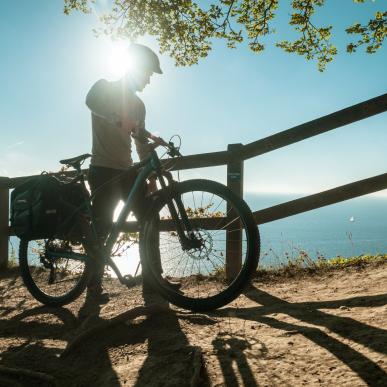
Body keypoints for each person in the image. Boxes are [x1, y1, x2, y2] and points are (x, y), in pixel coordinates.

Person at [85, 43, 169, 303]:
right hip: (102, 169)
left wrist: (150, 172)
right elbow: (91, 102)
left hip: (127, 171)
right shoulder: (104, 88)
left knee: (149, 218)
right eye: (148, 73)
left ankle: (153, 280)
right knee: (102, 226)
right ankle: (93, 285)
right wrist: (118, 119)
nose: (149, 80)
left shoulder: (139, 106)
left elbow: (140, 143)